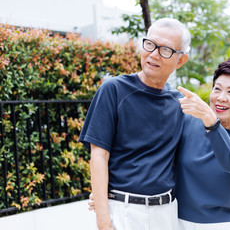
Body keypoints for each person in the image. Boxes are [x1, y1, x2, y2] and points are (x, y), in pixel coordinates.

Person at [79, 18, 190, 230]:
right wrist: (104, 222)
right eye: (150, 44)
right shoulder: (114, 89)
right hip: (123, 212)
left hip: (166, 214)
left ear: (180, 60)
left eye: (165, 49)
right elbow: (99, 156)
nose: (154, 54)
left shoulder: (180, 104)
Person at [176, 57, 230, 229]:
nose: (221, 98)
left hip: (222, 224)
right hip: (177, 221)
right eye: (217, 89)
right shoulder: (188, 122)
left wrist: (212, 123)